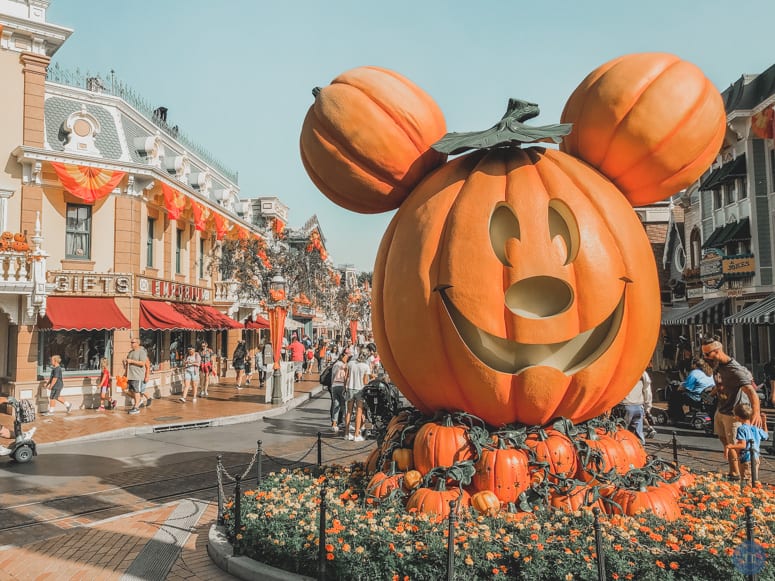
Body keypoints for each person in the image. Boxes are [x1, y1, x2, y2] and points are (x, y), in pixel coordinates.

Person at [701, 337, 763, 480]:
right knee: (725, 442)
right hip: (721, 409)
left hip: (733, 413)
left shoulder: (734, 369)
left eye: (707, 354)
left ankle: (743, 478)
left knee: (736, 445)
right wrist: (711, 394)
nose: (705, 358)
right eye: (703, 354)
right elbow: (721, 384)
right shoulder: (717, 365)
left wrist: (757, 413)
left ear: (717, 351)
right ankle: (733, 472)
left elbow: (751, 391)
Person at [725, 403, 769, 484]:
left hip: (746, 458)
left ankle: (747, 494)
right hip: (755, 458)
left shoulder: (741, 429)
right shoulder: (755, 428)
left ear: (737, 416)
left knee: (746, 481)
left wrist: (730, 446)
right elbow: (766, 436)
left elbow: (743, 445)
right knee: (753, 479)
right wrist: (764, 422)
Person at [668, 357, 715, 423]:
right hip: (707, 397)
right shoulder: (710, 372)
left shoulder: (694, 373)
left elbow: (686, 387)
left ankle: (678, 417)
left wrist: (679, 387)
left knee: (675, 395)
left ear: (694, 365)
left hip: (697, 399)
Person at [343, 351, 371, 442]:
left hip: (350, 388)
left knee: (349, 412)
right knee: (359, 412)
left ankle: (346, 434)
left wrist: (344, 387)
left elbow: (346, 376)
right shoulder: (365, 366)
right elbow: (365, 381)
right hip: (360, 390)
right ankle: (356, 434)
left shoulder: (350, 363)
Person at [619, 369, 652, 445]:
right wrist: (648, 407)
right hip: (638, 406)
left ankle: (625, 451)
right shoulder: (642, 372)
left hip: (625, 405)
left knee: (622, 433)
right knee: (638, 433)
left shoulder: (622, 370)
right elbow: (647, 390)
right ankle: (641, 450)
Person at [124, 338, 152, 415]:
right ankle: (139, 401)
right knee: (126, 390)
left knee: (137, 392)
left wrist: (147, 375)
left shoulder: (142, 352)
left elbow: (143, 363)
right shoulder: (130, 352)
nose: (131, 344)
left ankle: (136, 407)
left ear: (137, 343)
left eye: (133, 342)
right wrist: (125, 373)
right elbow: (127, 364)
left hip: (137, 376)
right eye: (131, 342)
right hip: (130, 376)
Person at [329, 351, 349, 433]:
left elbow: (333, 376)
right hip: (342, 386)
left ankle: (334, 423)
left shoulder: (335, 365)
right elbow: (346, 377)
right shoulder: (345, 366)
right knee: (344, 405)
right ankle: (344, 422)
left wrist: (332, 385)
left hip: (334, 385)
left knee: (336, 405)